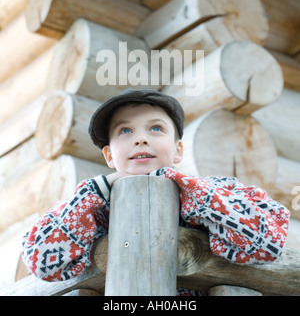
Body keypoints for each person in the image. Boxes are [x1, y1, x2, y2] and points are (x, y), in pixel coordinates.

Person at [22, 89, 290, 289]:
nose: (141, 138)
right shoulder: (91, 208)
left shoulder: (217, 192)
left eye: (156, 128)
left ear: (178, 150)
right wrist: (97, 189)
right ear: (109, 156)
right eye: (125, 131)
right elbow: (40, 260)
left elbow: (269, 241)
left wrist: (187, 187)